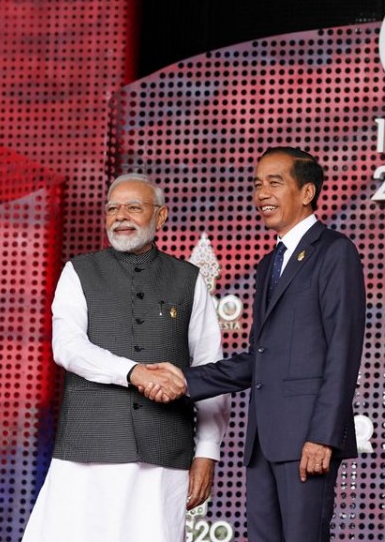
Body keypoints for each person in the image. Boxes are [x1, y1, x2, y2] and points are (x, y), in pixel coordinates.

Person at [147, 147, 366, 542]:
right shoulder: (269, 264)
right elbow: (261, 360)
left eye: (275, 182)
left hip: (307, 440)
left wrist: (323, 435)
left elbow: (343, 351)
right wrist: (184, 381)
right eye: (257, 184)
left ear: (307, 192)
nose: (261, 193)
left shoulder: (334, 252)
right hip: (264, 442)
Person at [22, 173, 230, 542]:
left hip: (164, 452)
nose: (121, 216)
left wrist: (208, 452)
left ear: (160, 217)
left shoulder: (188, 279)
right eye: (113, 208)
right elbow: (68, 347)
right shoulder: (78, 272)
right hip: (87, 449)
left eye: (134, 207)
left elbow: (209, 370)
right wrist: (133, 372)